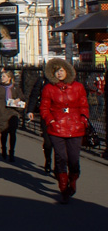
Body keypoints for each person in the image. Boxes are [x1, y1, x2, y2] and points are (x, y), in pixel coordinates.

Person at [37, 58, 89, 204]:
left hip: (75, 127)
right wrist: (50, 120)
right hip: (57, 127)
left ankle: (73, 180)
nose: (59, 74)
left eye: (61, 70)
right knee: (60, 158)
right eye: (56, 71)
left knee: (73, 158)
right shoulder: (49, 88)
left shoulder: (78, 87)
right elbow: (44, 108)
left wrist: (83, 120)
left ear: (67, 71)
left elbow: (84, 106)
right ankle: (63, 188)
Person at [24, 69, 53, 173]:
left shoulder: (64, 82)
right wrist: (30, 110)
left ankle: (59, 166)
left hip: (60, 116)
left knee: (60, 143)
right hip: (46, 114)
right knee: (48, 142)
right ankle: (48, 160)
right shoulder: (42, 81)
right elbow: (34, 95)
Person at [0, 69, 24, 162]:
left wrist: (18, 99)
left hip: (13, 112)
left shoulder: (15, 87)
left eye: (4, 76)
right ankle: (3, 149)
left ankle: (12, 152)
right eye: (1, 76)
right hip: (2, 112)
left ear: (9, 78)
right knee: (4, 133)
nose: (2, 78)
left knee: (13, 133)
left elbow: (22, 96)